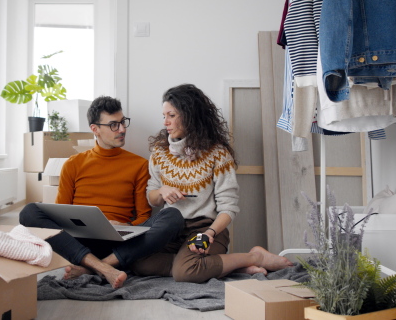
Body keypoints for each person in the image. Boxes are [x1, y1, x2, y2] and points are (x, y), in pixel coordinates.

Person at [131, 84, 293, 283]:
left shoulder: (217, 154)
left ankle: (254, 256)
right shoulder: (159, 152)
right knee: (137, 262)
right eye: (164, 116)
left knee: (185, 273)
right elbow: (152, 198)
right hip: (169, 228)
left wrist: (209, 233)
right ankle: (221, 266)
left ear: (189, 115)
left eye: (171, 115)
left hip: (206, 228)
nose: (165, 122)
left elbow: (228, 207)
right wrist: (162, 191)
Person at [19, 96, 184, 289]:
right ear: (95, 129)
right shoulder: (73, 164)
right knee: (28, 211)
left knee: (173, 216)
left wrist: (122, 225)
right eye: (114, 125)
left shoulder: (139, 165)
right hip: (79, 243)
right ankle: (102, 267)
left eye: (123, 122)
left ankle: (94, 268)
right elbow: (60, 214)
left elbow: (143, 217)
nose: (122, 129)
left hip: (119, 243)